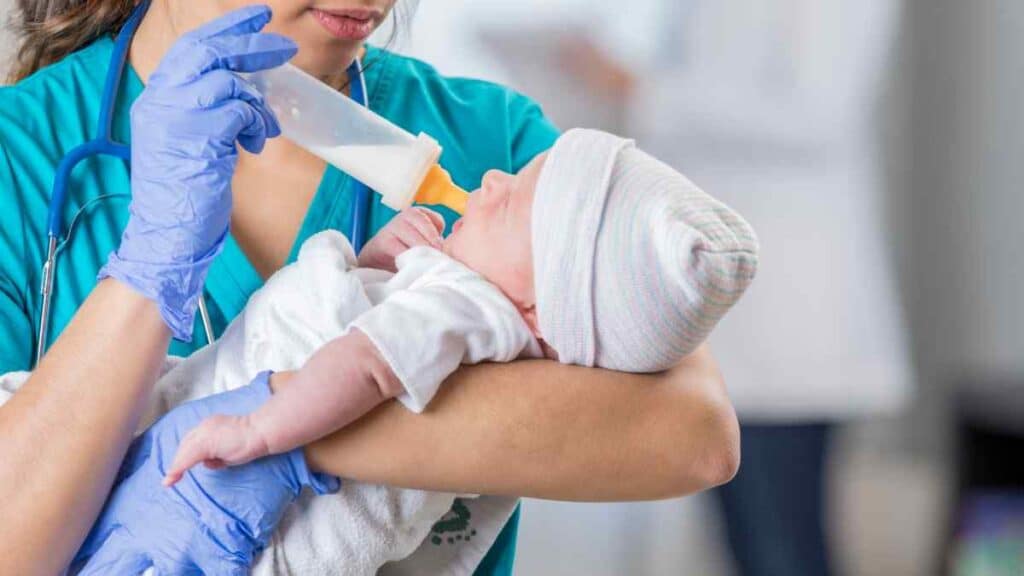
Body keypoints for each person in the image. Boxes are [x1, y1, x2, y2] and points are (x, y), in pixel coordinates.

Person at [0, 3, 741, 575]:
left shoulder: (497, 149)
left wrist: (290, 432)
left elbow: (692, 438)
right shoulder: (18, 155)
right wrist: (149, 270)